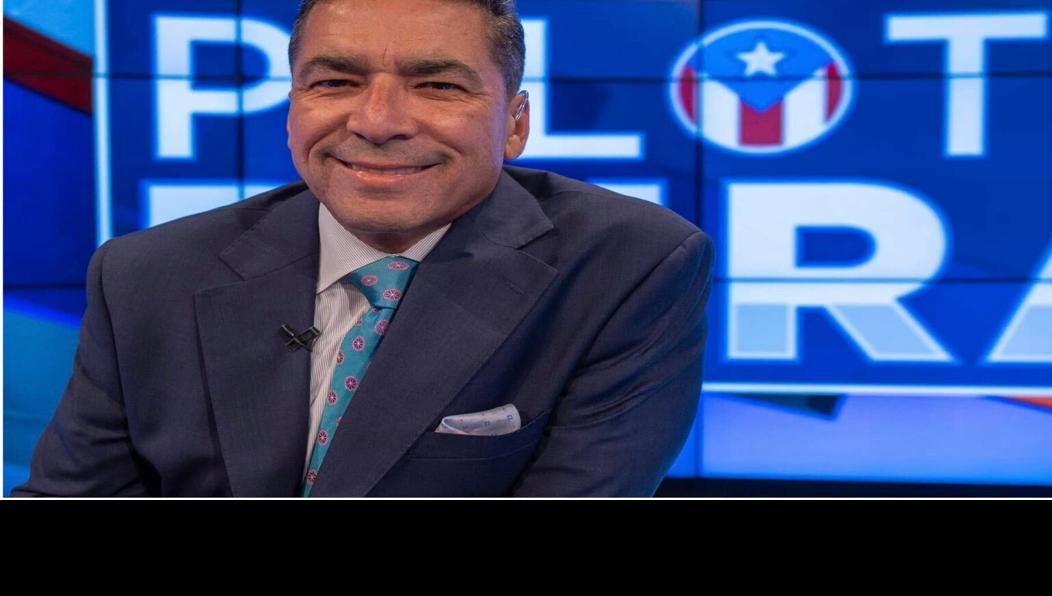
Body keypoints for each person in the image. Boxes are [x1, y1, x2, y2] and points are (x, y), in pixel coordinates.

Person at [12, 0, 712, 497]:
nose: (377, 122)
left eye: (437, 85)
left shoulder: (629, 266)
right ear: (293, 109)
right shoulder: (144, 274)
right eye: (335, 82)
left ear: (515, 123)